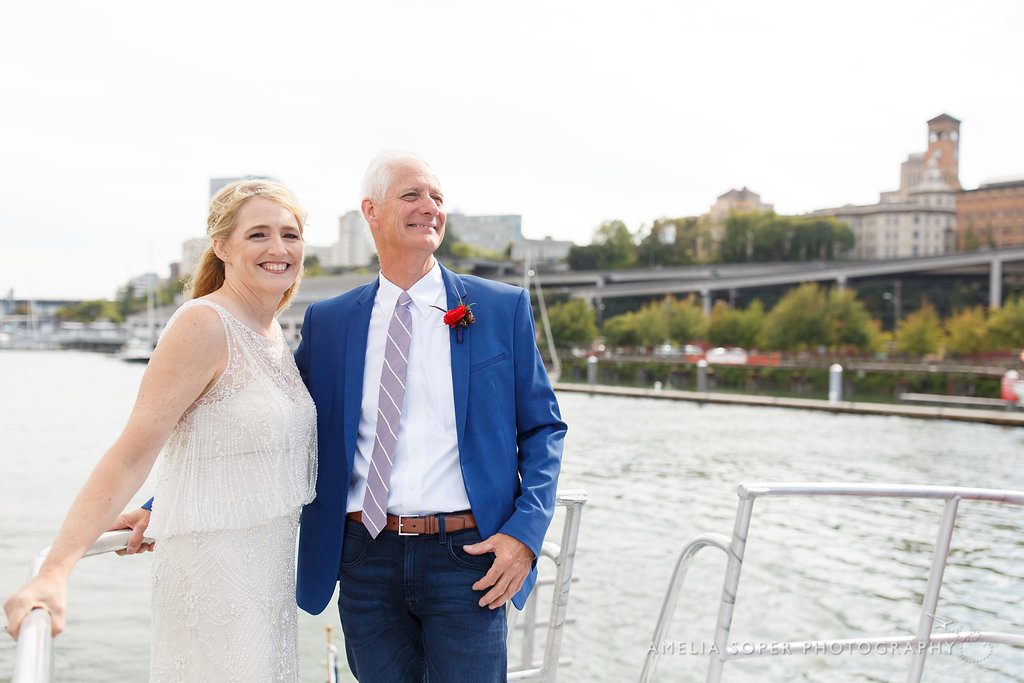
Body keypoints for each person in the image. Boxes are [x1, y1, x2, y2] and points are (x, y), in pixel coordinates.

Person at [3, 179, 318, 682]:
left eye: (290, 234)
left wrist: (160, 505)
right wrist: (56, 570)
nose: (279, 249)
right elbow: (132, 452)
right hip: (215, 579)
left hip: (267, 578)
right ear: (221, 246)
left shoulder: (272, 332)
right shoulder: (203, 324)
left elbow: (233, 445)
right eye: (258, 234)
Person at [294, 152, 566, 682]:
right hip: (363, 558)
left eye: (437, 198)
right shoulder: (328, 322)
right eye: (413, 195)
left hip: (469, 559)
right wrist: (159, 502)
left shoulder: (501, 307)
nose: (430, 208)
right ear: (370, 211)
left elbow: (543, 428)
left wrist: (525, 534)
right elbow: (278, 423)